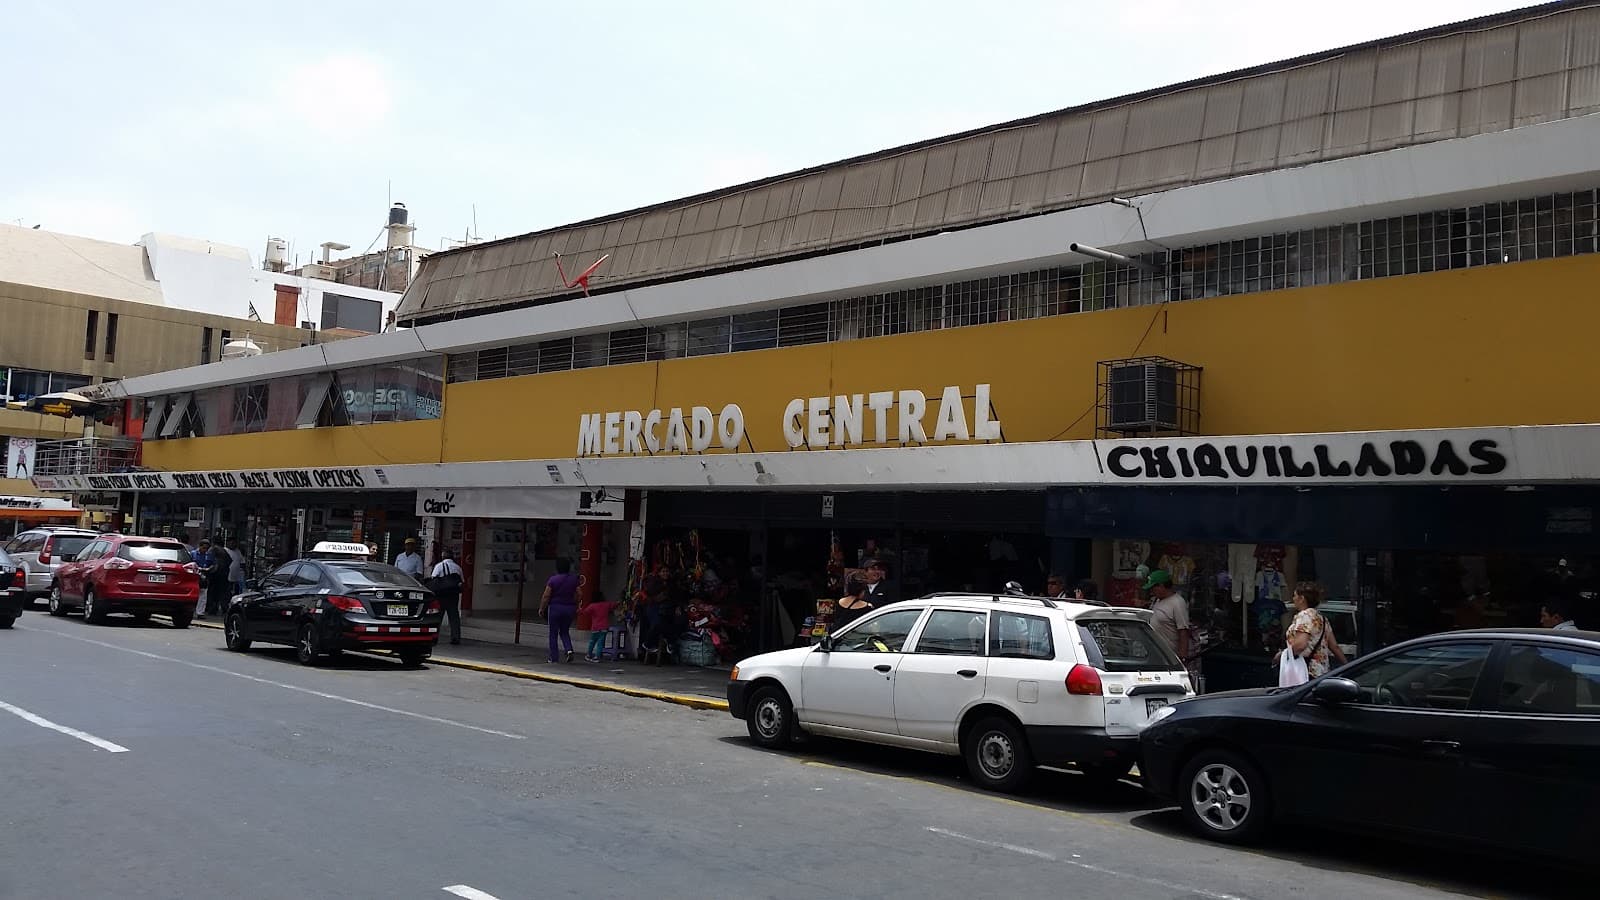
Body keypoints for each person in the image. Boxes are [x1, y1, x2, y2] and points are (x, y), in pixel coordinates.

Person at [1285, 581, 1348, 679]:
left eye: (1295, 596)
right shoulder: (1321, 619)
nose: (1293, 599)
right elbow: (1334, 646)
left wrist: (1283, 655)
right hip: (1321, 672)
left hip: (1305, 671)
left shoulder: (1304, 616)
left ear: (1302, 599)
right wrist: (1347, 665)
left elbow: (1301, 645)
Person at [539, 557, 581, 663]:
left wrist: (542, 608)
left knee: (553, 633)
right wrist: (575, 603)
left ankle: (554, 657)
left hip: (555, 608)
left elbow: (546, 596)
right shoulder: (574, 579)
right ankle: (569, 649)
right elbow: (579, 594)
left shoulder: (553, 580)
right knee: (564, 631)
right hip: (569, 608)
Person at [1144, 569, 1191, 661]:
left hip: (1169, 656)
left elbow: (1183, 631)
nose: (1151, 591)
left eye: (1153, 588)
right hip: (1155, 653)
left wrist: (1182, 657)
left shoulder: (1177, 603)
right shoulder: (1157, 600)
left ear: (1161, 586)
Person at [427, 549, 465, 645]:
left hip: (441, 595)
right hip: (453, 595)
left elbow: (433, 579)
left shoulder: (439, 566)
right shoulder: (457, 567)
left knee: (438, 617)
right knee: (454, 617)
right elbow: (462, 581)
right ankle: (455, 637)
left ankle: (434, 637)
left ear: (443, 557)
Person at [580, 589, 615, 662]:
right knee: (600, 643)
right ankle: (597, 657)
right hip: (604, 627)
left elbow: (585, 612)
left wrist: (579, 609)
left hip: (595, 627)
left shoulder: (592, 606)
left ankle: (589, 655)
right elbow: (614, 605)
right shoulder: (606, 604)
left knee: (592, 641)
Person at [191, 539, 216, 618]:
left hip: (204, 576)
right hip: (195, 575)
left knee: (203, 594)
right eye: (204, 548)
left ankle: (200, 612)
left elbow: (213, 564)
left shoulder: (208, 555)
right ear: (200, 546)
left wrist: (208, 569)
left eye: (207, 548)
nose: (205, 550)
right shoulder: (193, 554)